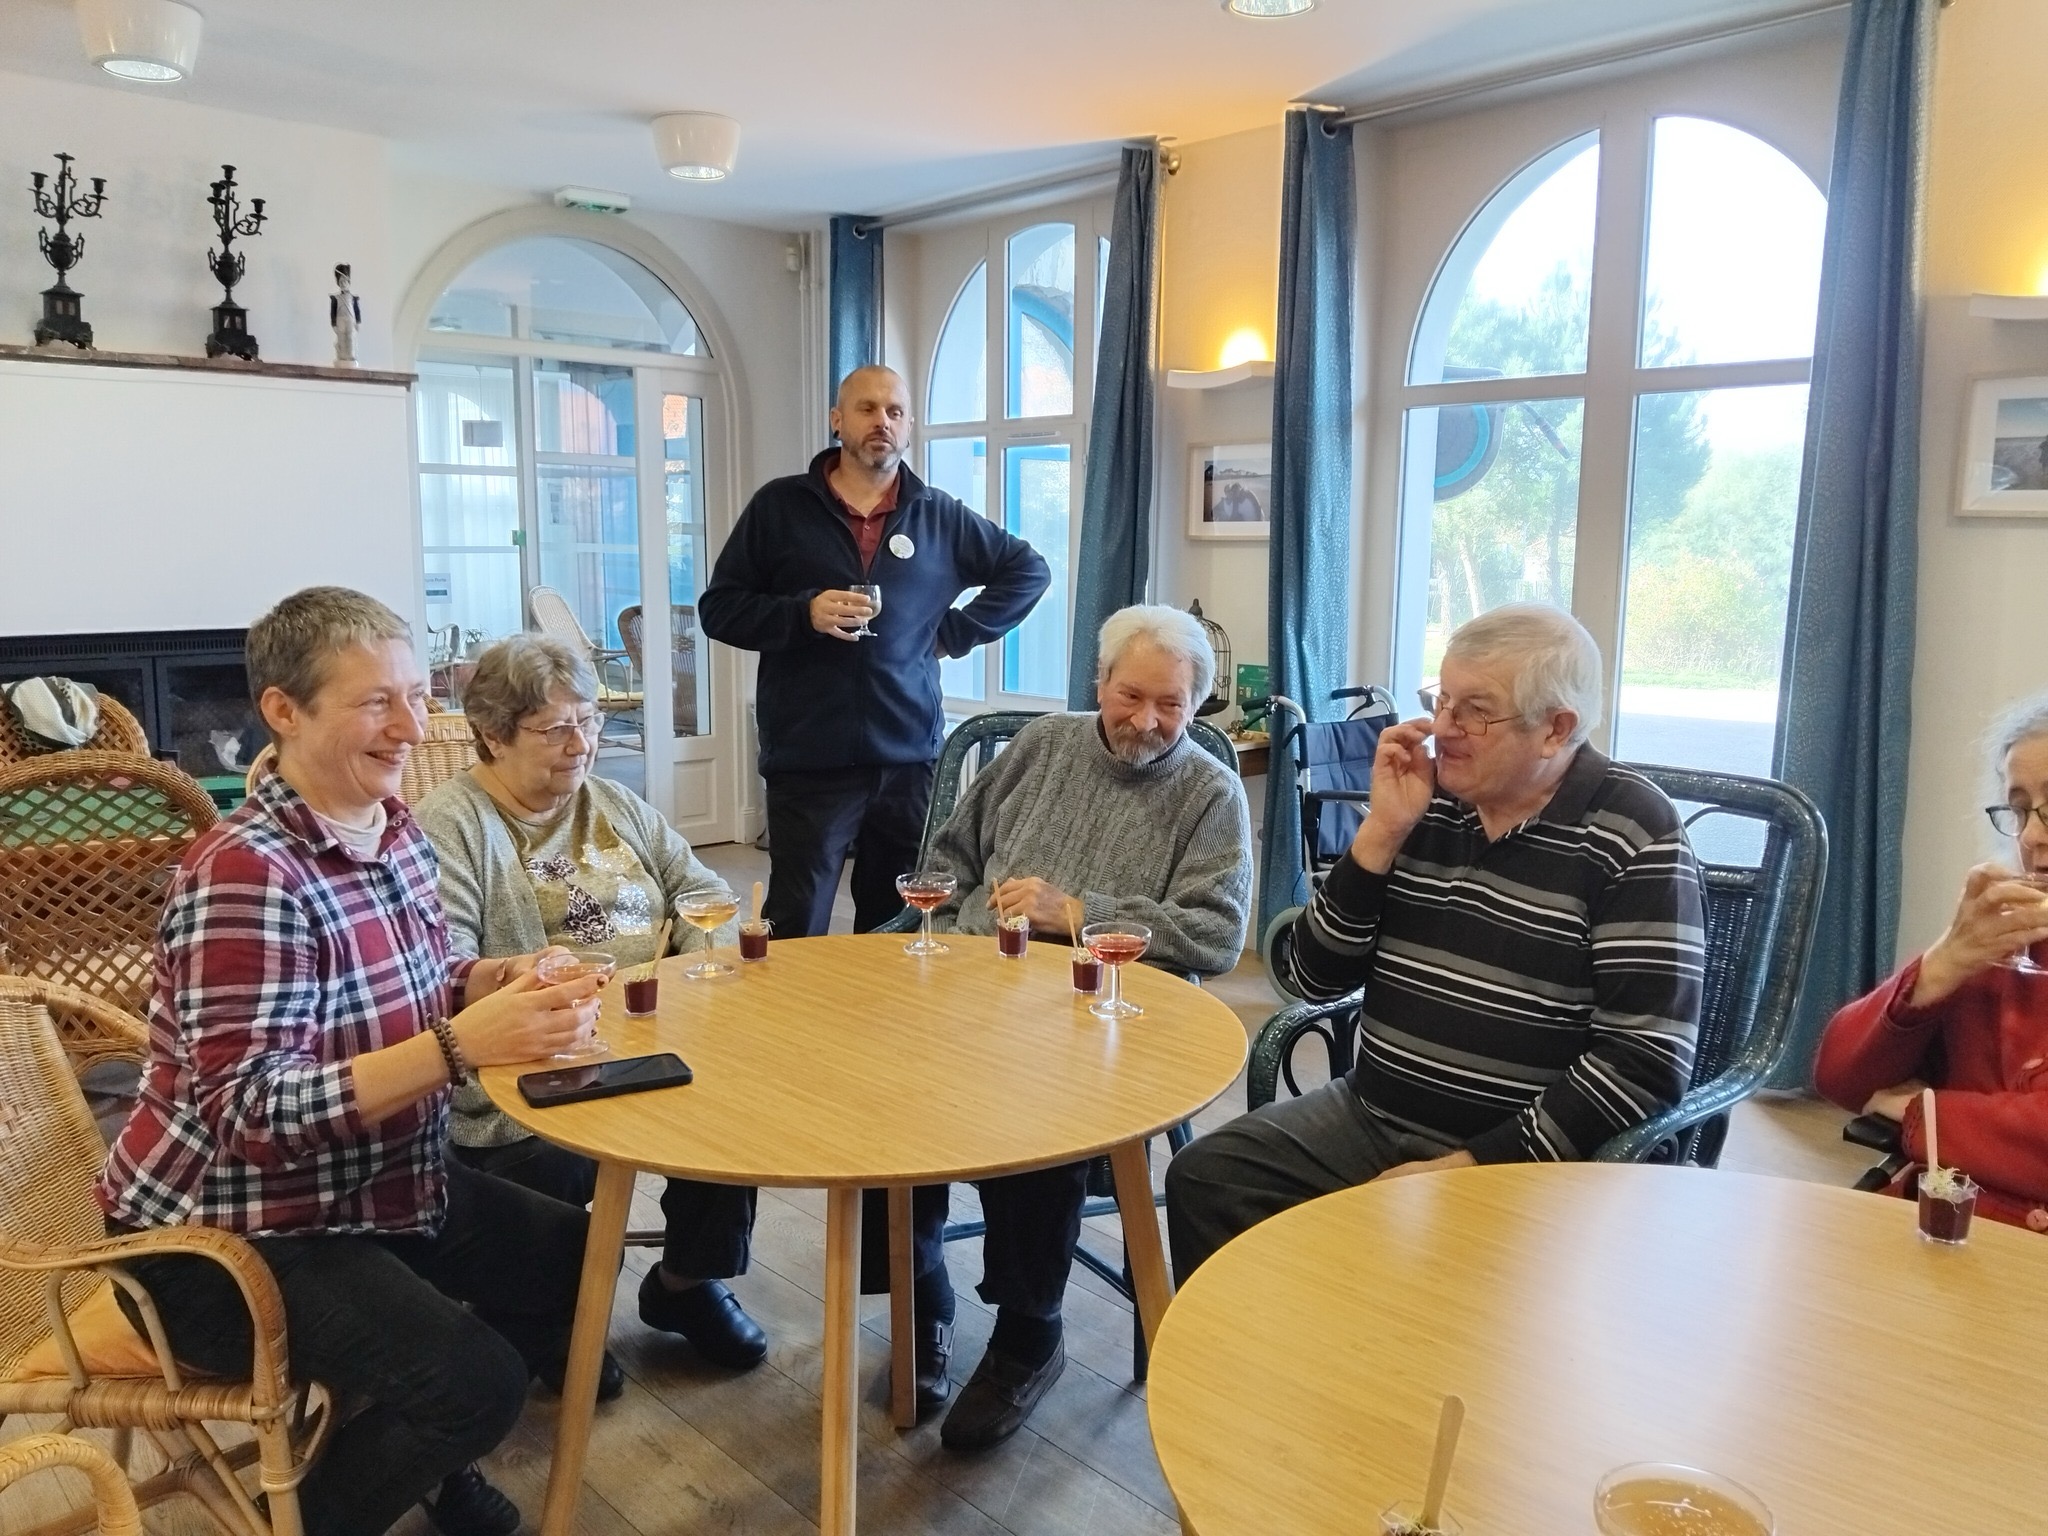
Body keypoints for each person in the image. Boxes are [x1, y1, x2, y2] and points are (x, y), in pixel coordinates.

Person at [96, 587, 609, 1536]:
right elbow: (251, 1112)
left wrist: (487, 979)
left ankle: (421, 1448)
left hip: (369, 1182)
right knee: (477, 1385)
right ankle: (311, 1513)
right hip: (222, 1241)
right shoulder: (247, 874)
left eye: (417, 696)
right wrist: (462, 1046)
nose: (413, 727)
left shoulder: (393, 830)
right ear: (283, 711)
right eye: (377, 702)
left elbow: (412, 981)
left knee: (579, 1259)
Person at [1165, 603, 1706, 1280]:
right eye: (1440, 699)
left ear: (1557, 729)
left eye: (1475, 711)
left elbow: (1645, 1059)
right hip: (1373, 1112)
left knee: (1423, 1263)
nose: (1443, 728)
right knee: (1209, 1177)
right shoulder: (1428, 802)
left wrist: (1471, 1165)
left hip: (1527, 1159)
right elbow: (1309, 976)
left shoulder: (1633, 833)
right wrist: (1380, 835)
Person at [871, 604, 1253, 1451]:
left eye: (1172, 704)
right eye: (1130, 696)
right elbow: (948, 861)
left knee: (1042, 1116)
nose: (1147, 721)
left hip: (1103, 1015)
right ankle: (922, 1294)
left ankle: (1028, 1335)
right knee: (878, 1089)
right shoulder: (1040, 746)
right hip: (975, 985)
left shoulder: (1208, 792)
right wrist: (960, 934)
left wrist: (1076, 911)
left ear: (1198, 704)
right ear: (1099, 682)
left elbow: (1218, 932)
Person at [416, 633, 768, 1365]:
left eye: (589, 722)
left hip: (657, 1031)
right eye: (555, 729)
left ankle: (684, 1282)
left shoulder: (610, 802)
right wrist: (541, 989)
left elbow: (700, 888)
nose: (581, 744)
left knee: (735, 1104)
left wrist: (692, 967)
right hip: (535, 1061)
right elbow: (442, 969)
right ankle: (542, 1301)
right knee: (545, 1161)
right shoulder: (451, 825)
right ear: (493, 734)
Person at [700, 364, 1050, 937]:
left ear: (908, 427)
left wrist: (952, 634)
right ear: (837, 420)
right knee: (797, 924)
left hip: (907, 759)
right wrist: (803, 614)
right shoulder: (779, 507)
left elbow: (1028, 571)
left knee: (896, 926)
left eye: (895, 412)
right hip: (808, 759)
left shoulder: (939, 514)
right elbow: (719, 609)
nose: (881, 421)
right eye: (866, 409)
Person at [1816, 694, 2048, 1232]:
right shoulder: (1999, 939)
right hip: (1945, 1229)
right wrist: (1942, 965)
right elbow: (1840, 1077)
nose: (2031, 836)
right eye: (2018, 810)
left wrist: (1925, 1114)